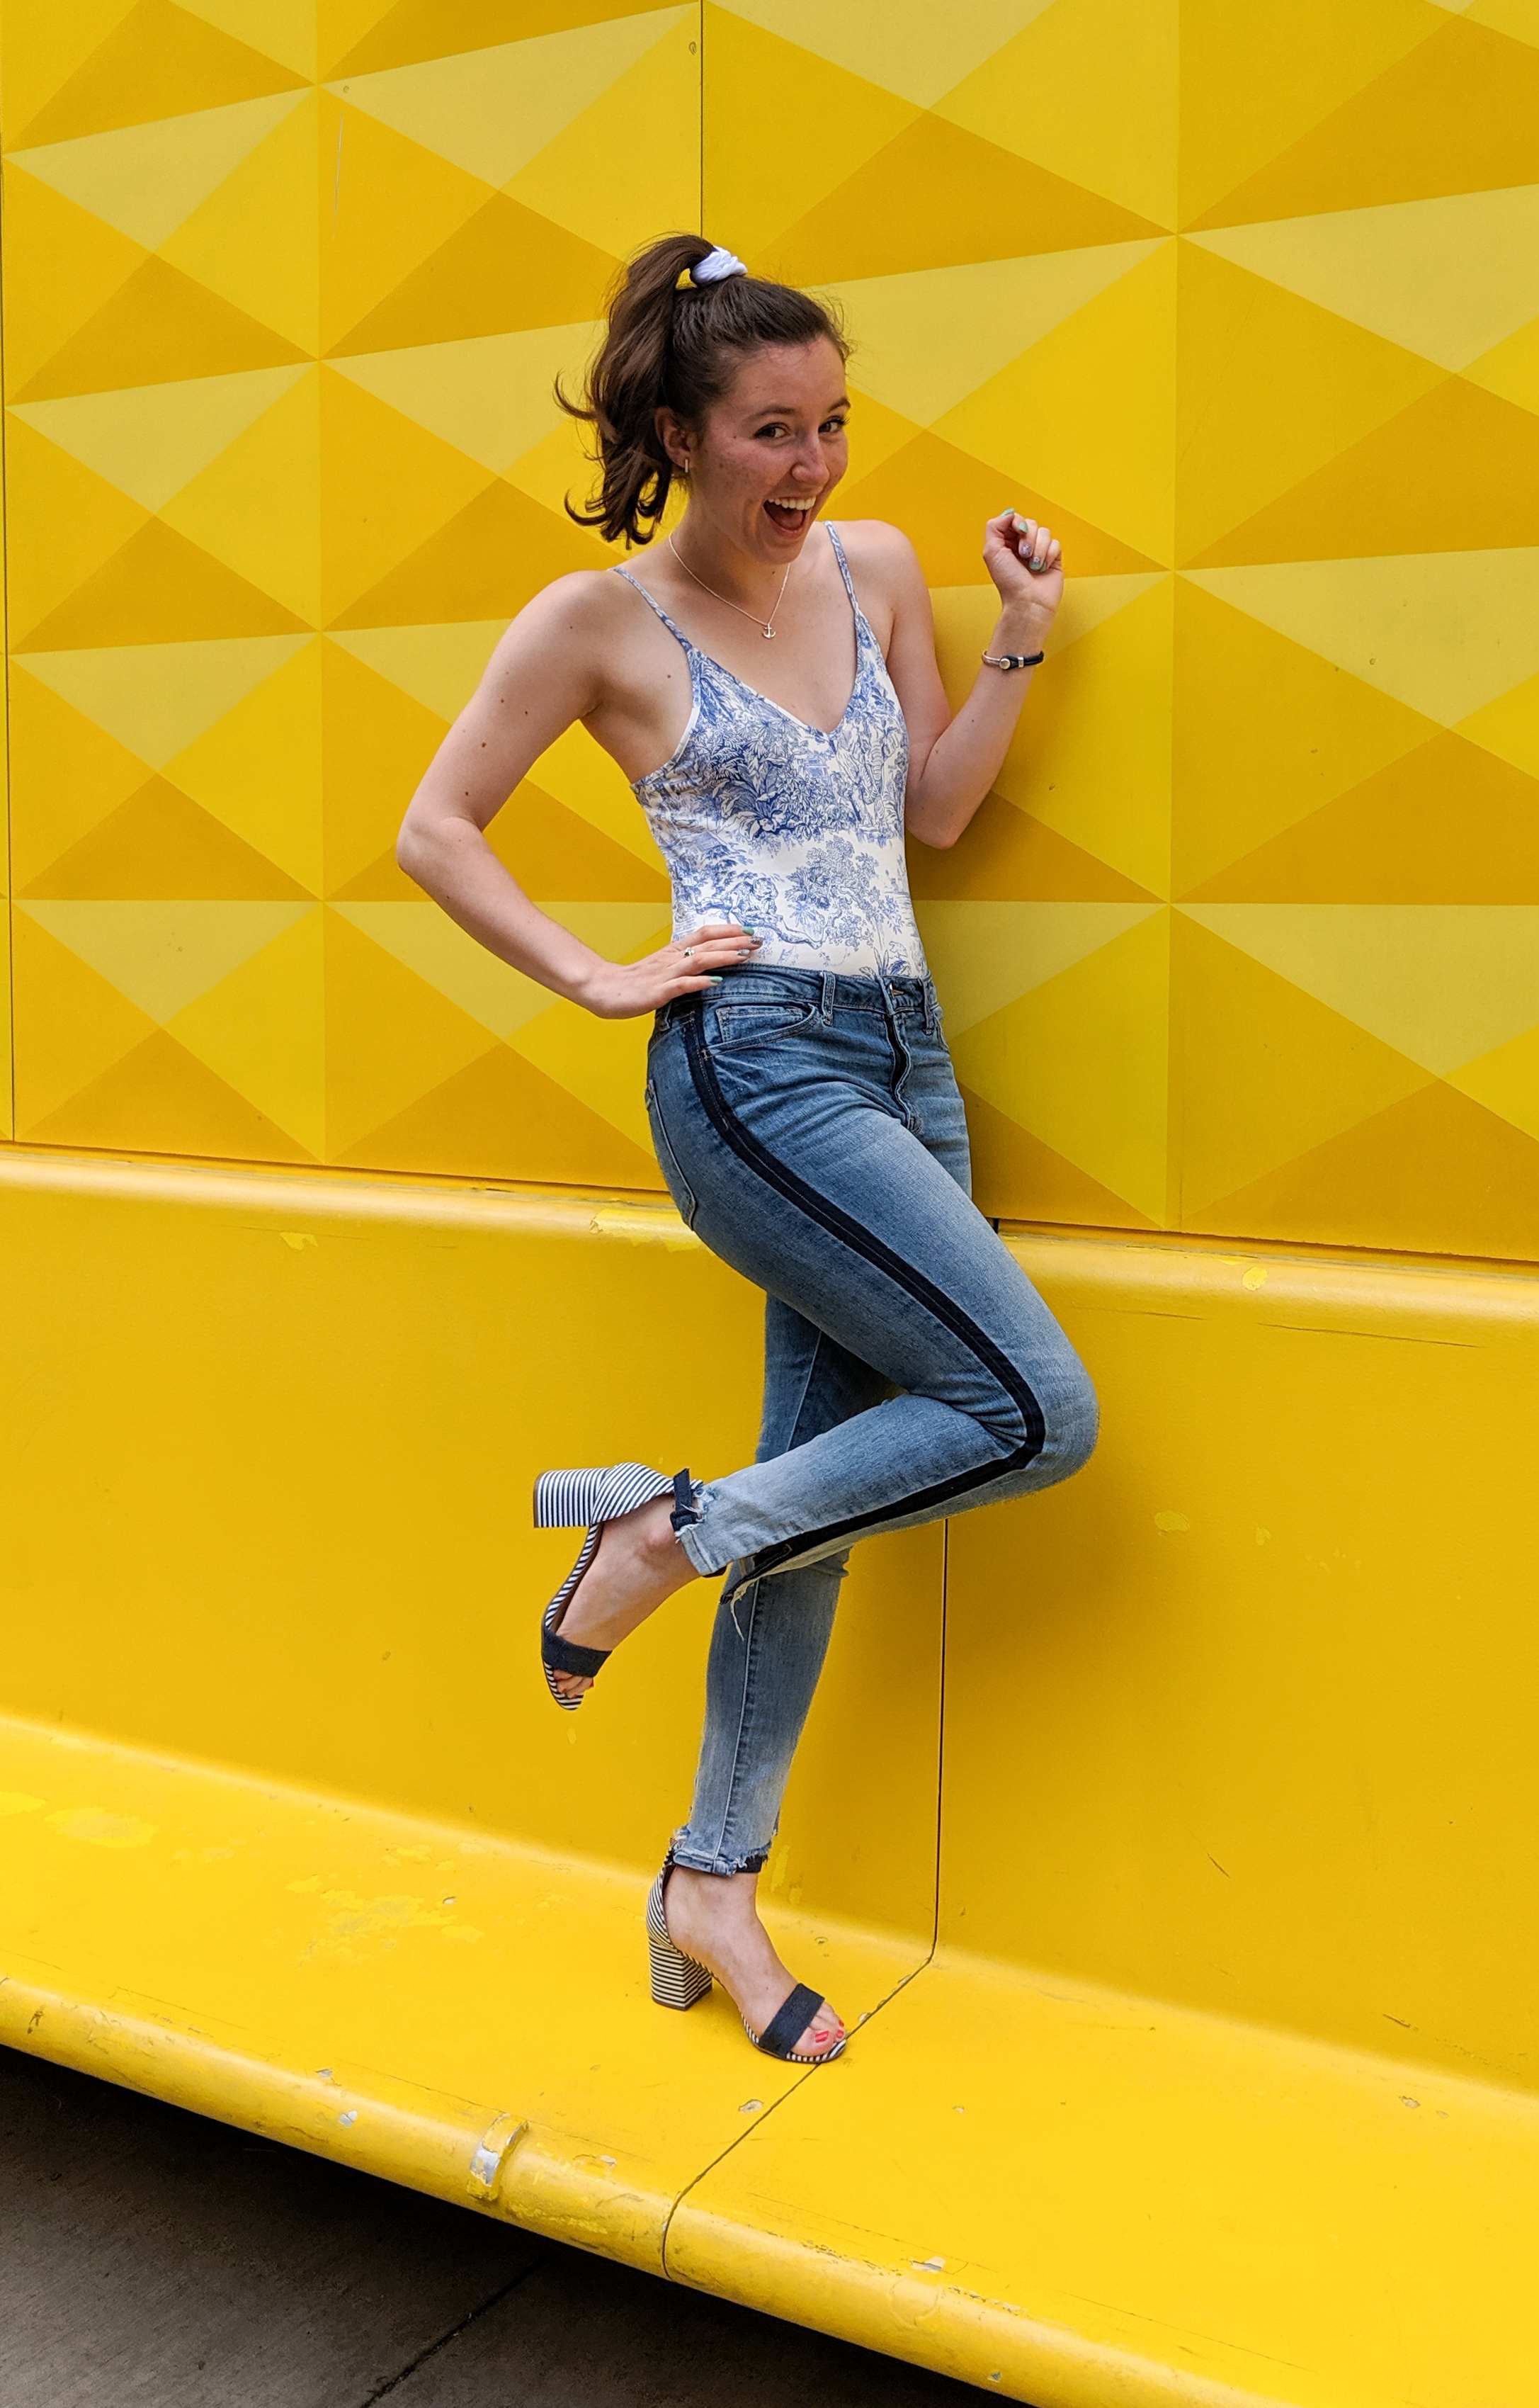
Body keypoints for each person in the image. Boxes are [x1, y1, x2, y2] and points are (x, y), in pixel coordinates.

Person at [397, 233, 1098, 2066]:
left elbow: (932, 808)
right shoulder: (598, 626)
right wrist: (596, 974)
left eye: (836, 425)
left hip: (904, 1054)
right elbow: (435, 828)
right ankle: (665, 1530)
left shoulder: (872, 571)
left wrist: (1021, 634)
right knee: (1040, 1410)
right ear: (682, 435)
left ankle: (712, 1882)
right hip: (755, 1071)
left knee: (833, 1480)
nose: (817, 469)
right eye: (776, 432)